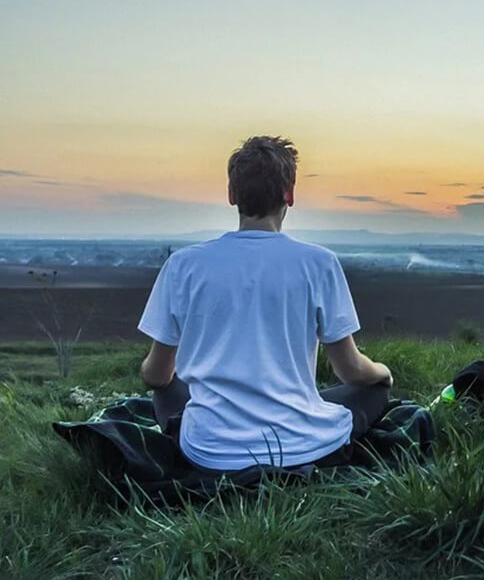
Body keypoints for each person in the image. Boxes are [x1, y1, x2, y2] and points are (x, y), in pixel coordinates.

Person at [137, 135, 393, 471]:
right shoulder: (319, 263)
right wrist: (383, 373)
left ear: (232, 195)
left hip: (209, 451)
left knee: (167, 389)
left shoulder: (184, 265)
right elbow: (350, 371)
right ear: (290, 194)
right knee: (373, 391)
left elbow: (155, 376)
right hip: (302, 446)